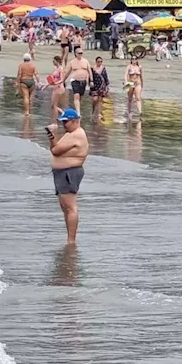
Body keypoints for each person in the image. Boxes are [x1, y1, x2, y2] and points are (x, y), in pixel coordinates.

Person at [46, 108, 89, 246]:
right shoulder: (71, 133)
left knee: (70, 207)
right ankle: (70, 239)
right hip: (64, 173)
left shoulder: (76, 134)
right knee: (65, 207)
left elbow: (56, 151)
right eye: (62, 122)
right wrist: (53, 137)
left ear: (75, 121)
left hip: (69, 173)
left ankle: (71, 241)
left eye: (66, 122)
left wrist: (52, 135)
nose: (64, 125)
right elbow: (56, 148)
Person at [64, 49, 92, 116]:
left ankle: (77, 109)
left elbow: (89, 71)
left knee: (80, 97)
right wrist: (63, 80)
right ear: (76, 54)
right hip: (75, 80)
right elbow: (67, 72)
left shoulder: (85, 61)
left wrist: (91, 80)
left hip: (83, 81)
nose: (80, 54)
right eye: (79, 53)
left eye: (81, 53)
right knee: (76, 96)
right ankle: (78, 113)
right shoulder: (72, 62)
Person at [89, 56, 110, 120]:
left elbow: (105, 77)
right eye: (98, 62)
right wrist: (90, 83)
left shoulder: (103, 68)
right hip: (95, 86)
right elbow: (90, 77)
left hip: (102, 86)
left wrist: (107, 86)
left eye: (101, 61)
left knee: (100, 100)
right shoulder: (92, 68)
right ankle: (93, 110)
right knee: (95, 99)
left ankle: (99, 113)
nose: (100, 63)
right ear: (96, 62)